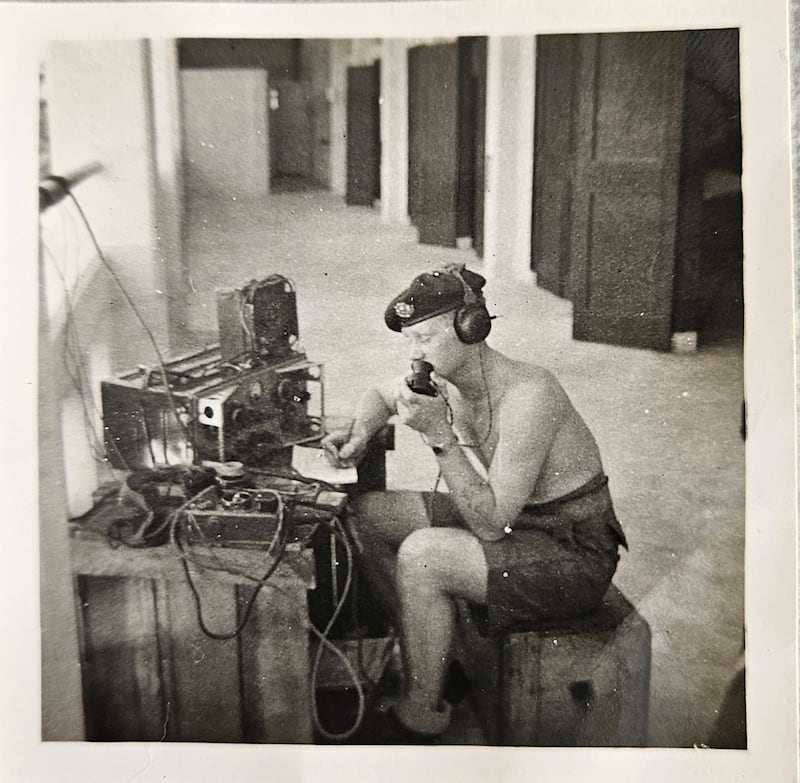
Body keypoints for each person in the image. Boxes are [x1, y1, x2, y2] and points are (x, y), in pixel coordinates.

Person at [321, 264, 627, 742]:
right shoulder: (443, 375)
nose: (414, 353)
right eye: (409, 340)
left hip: (573, 550)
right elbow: (379, 394)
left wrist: (441, 438)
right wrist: (360, 434)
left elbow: (490, 525)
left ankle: (421, 713)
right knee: (367, 516)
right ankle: (437, 659)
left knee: (423, 556)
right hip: (519, 519)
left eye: (424, 337)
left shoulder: (529, 395)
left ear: (471, 327)